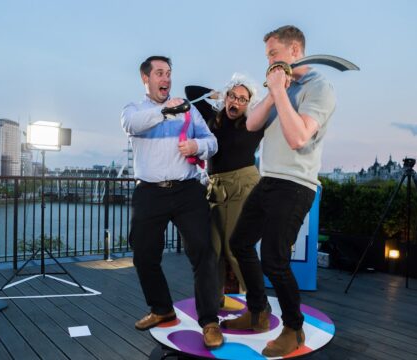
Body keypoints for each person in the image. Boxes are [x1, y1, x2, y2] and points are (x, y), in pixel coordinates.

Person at [221, 25, 336, 357]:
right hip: (267, 180)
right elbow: (251, 124)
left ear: (295, 51)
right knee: (239, 243)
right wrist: (274, 91)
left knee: (274, 259)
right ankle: (258, 313)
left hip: (296, 185)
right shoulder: (281, 87)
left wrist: (281, 92)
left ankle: (293, 329)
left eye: (273, 53)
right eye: (267, 55)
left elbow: (298, 137)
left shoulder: (320, 87)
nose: (268, 60)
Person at [120, 55, 223, 349]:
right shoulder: (134, 109)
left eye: (169, 73)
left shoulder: (189, 111)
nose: (166, 79)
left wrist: (197, 146)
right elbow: (131, 125)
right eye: (160, 73)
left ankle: (209, 321)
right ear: (146, 78)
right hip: (150, 192)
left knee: (203, 251)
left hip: (187, 190)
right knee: (143, 253)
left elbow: (212, 141)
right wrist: (166, 111)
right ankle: (162, 308)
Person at [185, 74, 264, 305]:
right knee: (213, 249)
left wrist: (245, 102)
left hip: (242, 184)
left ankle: (258, 305)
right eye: (233, 96)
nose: (236, 102)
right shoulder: (213, 117)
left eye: (243, 99)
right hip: (215, 185)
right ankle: (213, 299)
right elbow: (191, 89)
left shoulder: (253, 123)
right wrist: (219, 95)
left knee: (235, 248)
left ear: (249, 103)